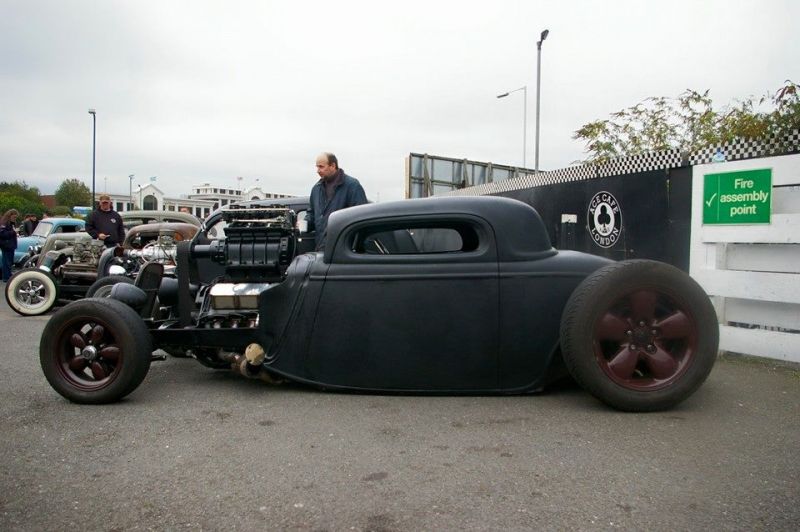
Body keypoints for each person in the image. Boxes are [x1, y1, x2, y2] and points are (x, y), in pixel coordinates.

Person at [308, 152, 368, 251]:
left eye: (321, 167)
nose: (318, 171)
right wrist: (304, 223)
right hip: (322, 248)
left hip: (344, 251)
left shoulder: (352, 186)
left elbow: (361, 218)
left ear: (333, 166)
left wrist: (355, 249)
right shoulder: (316, 189)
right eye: (317, 167)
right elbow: (312, 214)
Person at [0, 209, 19, 282]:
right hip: (6, 245)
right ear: (10, 216)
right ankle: (6, 277)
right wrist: (13, 232)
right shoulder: (4, 223)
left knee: (9, 261)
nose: (15, 219)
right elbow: (2, 234)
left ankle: (8, 275)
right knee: (6, 262)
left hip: (11, 245)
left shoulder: (11, 223)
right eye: (14, 217)